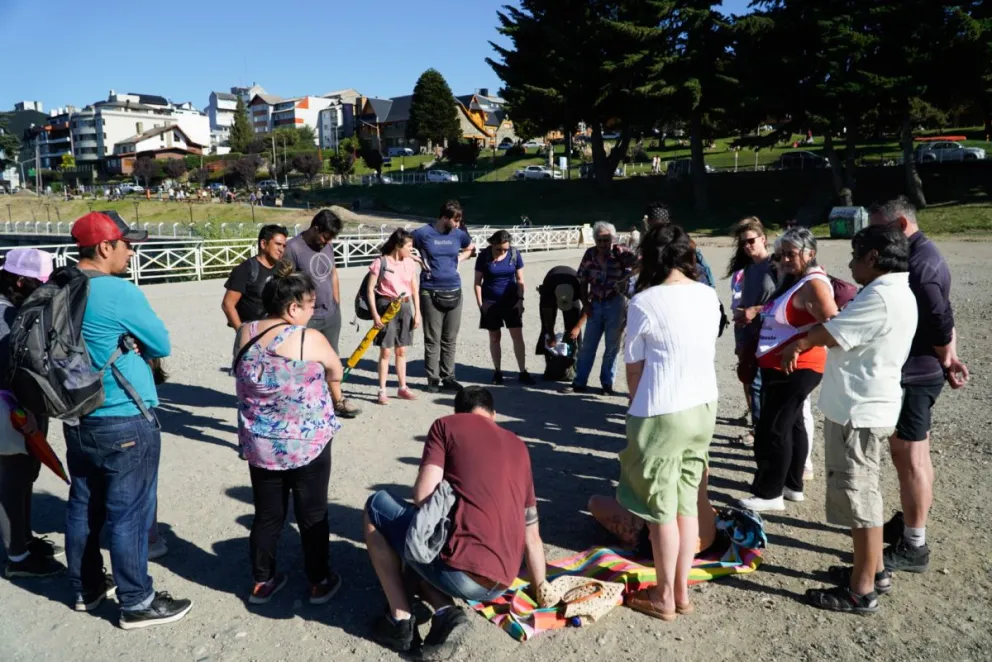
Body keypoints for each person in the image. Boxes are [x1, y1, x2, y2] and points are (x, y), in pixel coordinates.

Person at [64, 212, 192, 629]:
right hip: (122, 415)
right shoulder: (118, 291)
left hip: (76, 415)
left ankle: (86, 588)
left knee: (83, 505)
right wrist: (130, 342)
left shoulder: (61, 285)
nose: (131, 251)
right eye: (125, 243)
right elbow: (161, 343)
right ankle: (137, 601)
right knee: (129, 513)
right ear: (104, 247)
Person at [781, 226, 917, 614]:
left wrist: (800, 342)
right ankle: (872, 571)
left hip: (861, 411)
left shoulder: (882, 296)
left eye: (857, 255)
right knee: (862, 495)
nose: (851, 263)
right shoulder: (890, 291)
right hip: (862, 406)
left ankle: (861, 590)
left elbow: (834, 331)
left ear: (874, 257)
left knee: (861, 500)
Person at [364, 386, 547, 658]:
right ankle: (445, 612)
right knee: (419, 550)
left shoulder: (446, 426)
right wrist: (540, 586)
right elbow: (532, 536)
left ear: (458, 412)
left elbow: (423, 496)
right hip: (502, 581)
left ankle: (399, 619)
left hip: (461, 572)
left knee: (376, 506)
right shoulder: (519, 446)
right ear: (493, 415)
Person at [620, 223, 720, 621]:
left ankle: (664, 596)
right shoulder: (708, 295)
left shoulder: (645, 301)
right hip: (703, 406)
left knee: (660, 508)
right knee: (686, 500)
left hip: (662, 408)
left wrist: (634, 405)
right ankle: (681, 591)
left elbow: (634, 369)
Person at [233, 259, 344, 606]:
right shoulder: (306, 338)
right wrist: (335, 392)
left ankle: (261, 581)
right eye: (310, 305)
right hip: (305, 443)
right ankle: (319, 579)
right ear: (292, 307)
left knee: (268, 515)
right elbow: (335, 370)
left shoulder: (246, 332)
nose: (313, 311)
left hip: (260, 443)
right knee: (312, 513)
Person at [869, 198, 969, 573]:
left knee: (910, 458)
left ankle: (914, 545)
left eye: (880, 227)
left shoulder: (921, 264)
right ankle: (912, 523)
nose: (875, 234)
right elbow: (945, 311)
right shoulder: (922, 254)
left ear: (899, 222)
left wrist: (946, 357)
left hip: (916, 375)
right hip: (919, 371)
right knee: (914, 455)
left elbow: (941, 317)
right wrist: (950, 355)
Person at [740, 228, 838, 512]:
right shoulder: (798, 280)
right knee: (791, 425)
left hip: (796, 366)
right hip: (783, 366)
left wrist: (800, 345)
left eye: (791, 254)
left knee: (774, 428)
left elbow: (834, 324)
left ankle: (769, 493)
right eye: (782, 254)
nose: (785, 259)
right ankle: (793, 485)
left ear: (810, 253)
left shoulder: (814, 284)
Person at [0, 248, 63, 578]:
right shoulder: (4, 315)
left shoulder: (16, 308)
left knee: (26, 473)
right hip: (10, 407)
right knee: (13, 476)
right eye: (40, 284)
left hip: (23, 404)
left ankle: (23, 539)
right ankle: (18, 556)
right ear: (20, 281)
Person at [285, 209, 360, 419]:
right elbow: (286, 284)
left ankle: (336, 400)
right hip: (307, 316)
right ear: (316, 228)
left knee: (332, 359)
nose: (327, 241)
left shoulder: (327, 245)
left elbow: (333, 273)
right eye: (326, 236)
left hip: (330, 313)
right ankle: (302, 404)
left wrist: (336, 300)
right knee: (303, 362)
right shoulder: (293, 248)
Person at [561, 221, 635, 395]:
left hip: (615, 303)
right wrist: (585, 302)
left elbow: (641, 263)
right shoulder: (589, 254)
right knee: (588, 345)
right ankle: (579, 382)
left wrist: (625, 281)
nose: (603, 244)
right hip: (595, 303)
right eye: (599, 240)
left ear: (613, 239)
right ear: (594, 239)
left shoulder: (621, 253)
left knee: (612, 346)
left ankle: (607, 384)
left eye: (606, 240)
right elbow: (582, 279)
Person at [412, 200, 474, 393]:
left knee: (450, 338)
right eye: (455, 220)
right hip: (430, 290)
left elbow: (470, 248)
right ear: (444, 218)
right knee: (432, 338)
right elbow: (399, 246)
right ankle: (433, 379)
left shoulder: (459, 235)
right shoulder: (423, 233)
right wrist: (417, 259)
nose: (458, 224)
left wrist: (459, 260)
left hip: (454, 289)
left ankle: (449, 377)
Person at [728, 217, 776, 446]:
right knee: (753, 383)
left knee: (768, 385)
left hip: (772, 334)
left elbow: (784, 300)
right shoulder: (747, 269)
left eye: (751, 241)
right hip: (748, 332)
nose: (747, 246)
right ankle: (759, 430)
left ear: (764, 239)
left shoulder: (776, 266)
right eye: (743, 243)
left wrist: (755, 310)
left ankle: (767, 431)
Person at [473, 230, 534, 386]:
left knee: (517, 336)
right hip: (490, 302)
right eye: (498, 249)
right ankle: (497, 371)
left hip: (511, 301)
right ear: (492, 244)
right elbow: (477, 283)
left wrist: (520, 300)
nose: (502, 252)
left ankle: (522, 371)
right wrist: (481, 305)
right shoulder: (484, 256)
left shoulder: (514, 254)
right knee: (494, 337)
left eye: (505, 249)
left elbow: (520, 279)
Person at [367, 229, 421, 405]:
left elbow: (414, 289)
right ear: (398, 246)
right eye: (409, 246)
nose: (411, 250)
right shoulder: (381, 262)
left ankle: (402, 387)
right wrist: (375, 314)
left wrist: (417, 312)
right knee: (386, 350)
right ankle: (382, 390)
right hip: (386, 305)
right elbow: (370, 290)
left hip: (405, 306)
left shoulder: (410, 263)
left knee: (402, 349)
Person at [222, 224, 288, 330]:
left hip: (278, 332)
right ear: (263, 244)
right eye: (278, 244)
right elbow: (228, 304)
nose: (281, 250)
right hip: (253, 333)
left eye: (284, 246)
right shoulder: (245, 269)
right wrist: (241, 332)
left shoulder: (283, 269)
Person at [535, 265, 583, 381]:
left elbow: (588, 308)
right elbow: (547, 315)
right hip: (551, 288)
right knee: (546, 332)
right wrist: (551, 335)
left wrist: (577, 327)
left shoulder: (579, 286)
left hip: (572, 289)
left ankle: (573, 367)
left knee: (574, 331)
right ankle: (551, 368)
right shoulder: (548, 289)